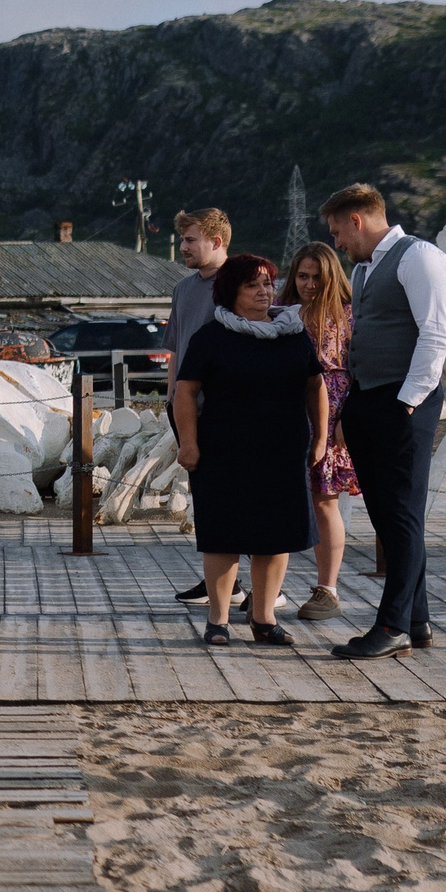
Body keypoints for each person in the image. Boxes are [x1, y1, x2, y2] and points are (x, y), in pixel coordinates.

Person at [322, 182, 446, 659]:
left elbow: (437, 336)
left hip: (403, 404)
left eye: (338, 231)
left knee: (401, 516)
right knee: (388, 516)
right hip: (369, 400)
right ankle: (417, 620)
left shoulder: (420, 258)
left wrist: (406, 403)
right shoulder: (364, 268)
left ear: (357, 220)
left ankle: (393, 623)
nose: (337, 242)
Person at [170, 255, 324, 648]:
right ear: (232, 291)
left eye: (268, 284)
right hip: (223, 450)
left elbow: (314, 387)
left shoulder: (293, 333)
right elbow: (184, 391)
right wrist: (188, 443)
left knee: (276, 536)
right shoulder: (211, 336)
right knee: (224, 535)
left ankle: (264, 619)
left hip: (283, 449)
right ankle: (218, 620)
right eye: (253, 285)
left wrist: (320, 437)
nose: (264, 291)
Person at [278, 242, 360, 621]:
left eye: (317, 276)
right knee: (280, 496)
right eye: (303, 276)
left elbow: (360, 369)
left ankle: (327, 588)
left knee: (325, 499)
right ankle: (271, 587)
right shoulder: (282, 313)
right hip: (286, 408)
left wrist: (343, 419)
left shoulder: (349, 315)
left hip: (332, 409)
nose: (309, 284)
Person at [165, 208, 239, 610]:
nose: (183, 247)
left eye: (191, 240)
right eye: (183, 240)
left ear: (216, 241)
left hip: (228, 409)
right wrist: (172, 398)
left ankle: (265, 588)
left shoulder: (241, 284)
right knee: (206, 500)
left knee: (239, 498)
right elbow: (175, 348)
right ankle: (224, 583)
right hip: (188, 408)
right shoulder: (183, 288)